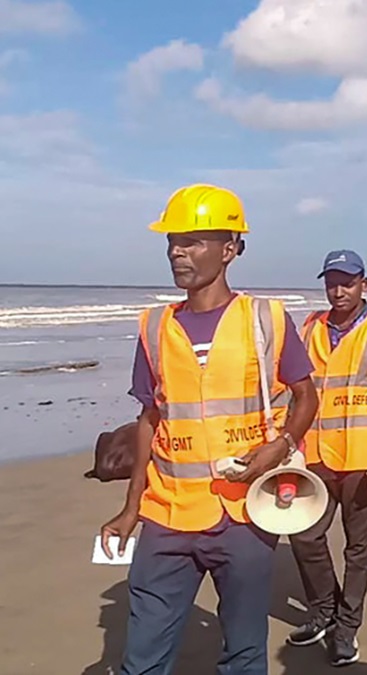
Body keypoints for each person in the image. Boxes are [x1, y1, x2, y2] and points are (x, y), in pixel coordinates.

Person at [98, 183, 319, 675]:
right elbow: (149, 419)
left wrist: (279, 447)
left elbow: (306, 396)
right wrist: (131, 508)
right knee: (142, 658)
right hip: (167, 515)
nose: (178, 251)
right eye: (173, 240)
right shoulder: (154, 326)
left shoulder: (265, 319)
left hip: (243, 516)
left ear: (231, 249)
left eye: (194, 241)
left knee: (243, 653)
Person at [286, 250, 367, 667]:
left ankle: (346, 628)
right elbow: (296, 389)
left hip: (364, 460)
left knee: (358, 548)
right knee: (304, 535)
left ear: (364, 284)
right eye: (332, 282)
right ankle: (324, 610)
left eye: (347, 282)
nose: (338, 291)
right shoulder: (310, 328)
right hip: (317, 455)